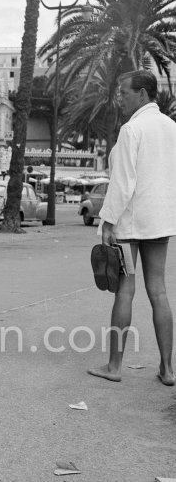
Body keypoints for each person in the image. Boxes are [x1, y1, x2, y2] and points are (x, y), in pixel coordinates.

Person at [88, 70, 176, 385]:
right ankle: (167, 369)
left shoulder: (132, 129)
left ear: (141, 93)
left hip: (131, 221)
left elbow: (123, 182)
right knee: (159, 291)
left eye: (124, 92)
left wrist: (108, 220)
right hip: (161, 221)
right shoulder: (172, 128)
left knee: (125, 290)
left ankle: (114, 367)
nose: (120, 98)